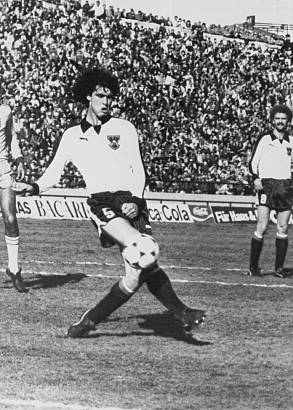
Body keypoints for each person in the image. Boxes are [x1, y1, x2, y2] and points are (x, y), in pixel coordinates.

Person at [13, 68, 205, 338]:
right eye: (101, 96)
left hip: (131, 200)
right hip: (102, 203)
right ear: (88, 96)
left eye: (110, 97)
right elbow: (54, 174)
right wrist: (32, 187)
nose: (106, 101)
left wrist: (137, 201)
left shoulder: (124, 128)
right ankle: (182, 312)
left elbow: (138, 169)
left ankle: (89, 320)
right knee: (143, 247)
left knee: (135, 275)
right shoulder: (71, 136)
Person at [248, 104, 293, 278]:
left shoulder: (292, 141)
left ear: (288, 122)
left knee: (283, 226)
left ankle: (279, 269)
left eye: (283, 119)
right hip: (267, 185)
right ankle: (253, 267)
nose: (280, 121)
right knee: (262, 226)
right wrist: (255, 178)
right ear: (273, 120)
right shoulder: (265, 139)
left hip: (285, 186)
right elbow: (253, 162)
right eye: (277, 118)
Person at [0, 92, 27, 292]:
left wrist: (18, 159)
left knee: (10, 219)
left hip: (2, 167)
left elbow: (11, 137)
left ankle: (14, 268)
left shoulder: (5, 111)